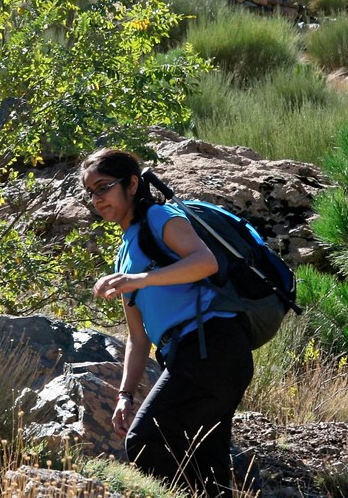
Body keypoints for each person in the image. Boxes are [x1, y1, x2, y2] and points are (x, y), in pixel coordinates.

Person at [81, 148, 254, 498]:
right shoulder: (124, 251)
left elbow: (205, 262)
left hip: (212, 346)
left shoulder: (160, 217)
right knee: (207, 464)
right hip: (191, 356)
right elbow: (137, 338)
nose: (96, 199)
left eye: (103, 187)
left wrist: (140, 279)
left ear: (131, 184)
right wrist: (125, 396)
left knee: (146, 440)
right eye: (90, 192)